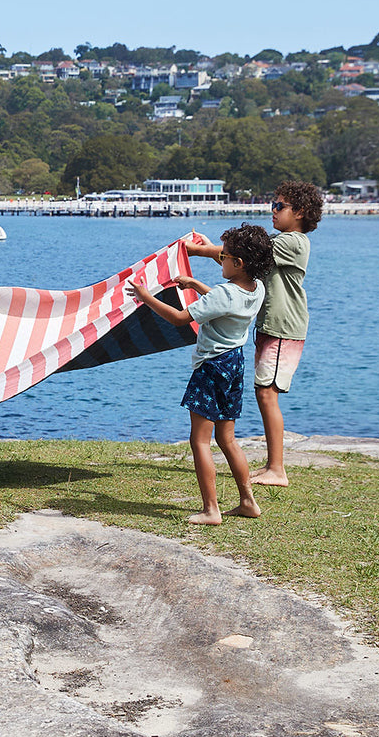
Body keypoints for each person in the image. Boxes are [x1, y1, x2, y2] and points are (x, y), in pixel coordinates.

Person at [126, 223, 274, 526]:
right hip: (234, 364)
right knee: (228, 439)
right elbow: (225, 305)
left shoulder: (223, 293)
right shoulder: (257, 288)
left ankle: (211, 509)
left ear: (239, 264)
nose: (221, 259)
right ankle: (248, 501)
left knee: (200, 441)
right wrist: (195, 285)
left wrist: (145, 297)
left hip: (212, 367)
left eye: (224, 255)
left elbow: (181, 319)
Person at [186, 181, 324, 486]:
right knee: (264, 392)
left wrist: (198, 250)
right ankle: (273, 465)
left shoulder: (295, 242)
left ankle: (277, 468)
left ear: (299, 212)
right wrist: (211, 252)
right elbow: (241, 260)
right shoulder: (281, 243)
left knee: (266, 392)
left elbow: (247, 252)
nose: (272, 211)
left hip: (284, 327)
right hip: (270, 326)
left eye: (279, 206)